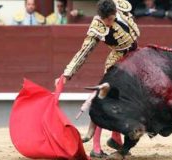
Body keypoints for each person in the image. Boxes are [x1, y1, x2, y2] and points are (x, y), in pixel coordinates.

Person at [54, 0, 140, 158]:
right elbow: (84, 51)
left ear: (115, 12)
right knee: (104, 102)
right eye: (104, 19)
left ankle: (116, 138)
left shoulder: (121, 6)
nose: (106, 23)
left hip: (134, 57)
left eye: (109, 19)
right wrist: (67, 73)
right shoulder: (98, 26)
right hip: (117, 62)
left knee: (122, 102)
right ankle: (96, 147)